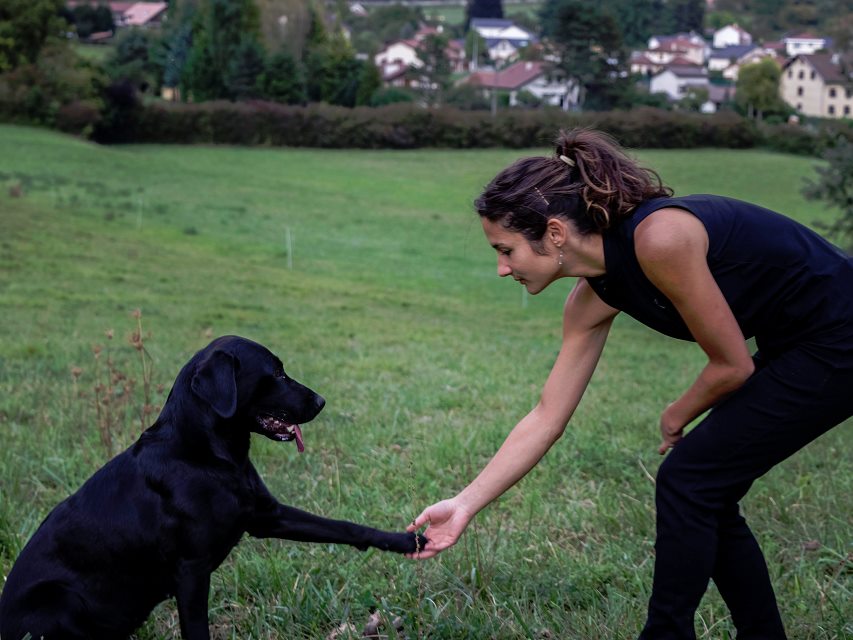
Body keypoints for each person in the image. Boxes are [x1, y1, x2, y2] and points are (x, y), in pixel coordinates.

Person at [406, 128, 853, 639]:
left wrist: (676, 413)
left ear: (554, 233)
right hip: (800, 339)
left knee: (690, 479)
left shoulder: (659, 238)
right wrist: (465, 503)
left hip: (841, 333)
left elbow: (732, 366)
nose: (501, 269)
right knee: (704, 487)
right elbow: (546, 416)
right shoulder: (591, 298)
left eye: (506, 250)